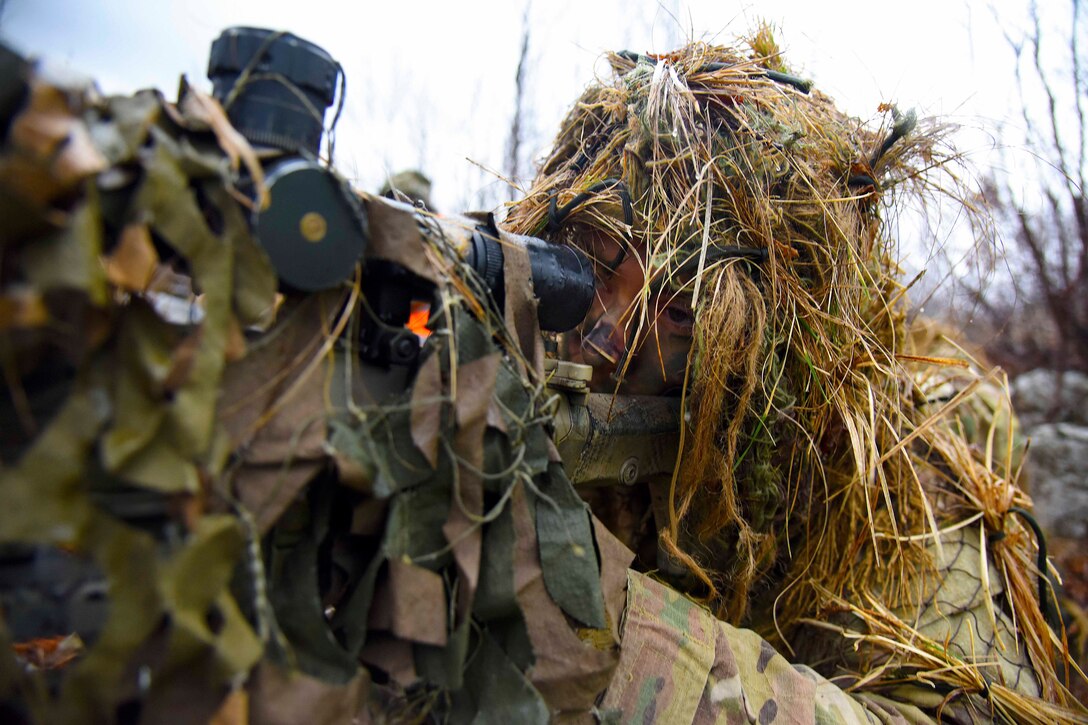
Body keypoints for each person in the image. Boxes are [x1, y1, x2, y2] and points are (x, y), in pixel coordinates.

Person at [504, 31, 1086, 722]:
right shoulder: (551, 392)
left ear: (776, 342)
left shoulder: (897, 501)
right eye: (591, 271)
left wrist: (610, 636)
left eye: (682, 308)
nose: (606, 337)